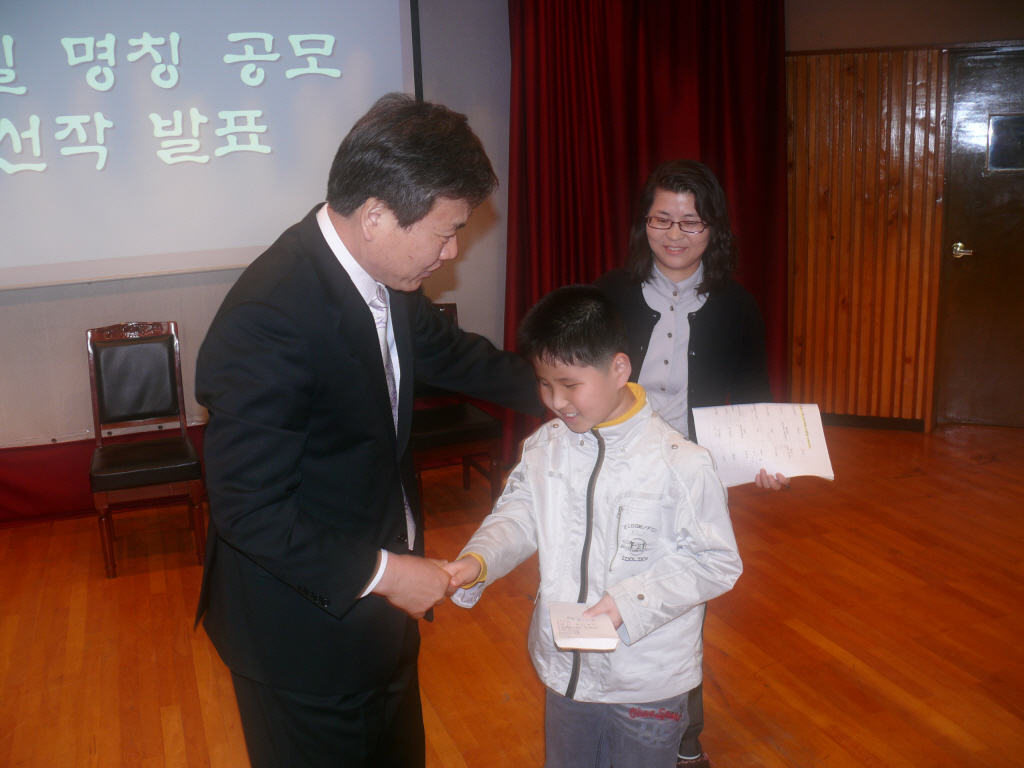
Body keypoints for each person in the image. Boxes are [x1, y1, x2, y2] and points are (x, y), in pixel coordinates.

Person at [194, 93, 543, 768]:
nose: (450, 253)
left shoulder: (384, 274)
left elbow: (457, 356)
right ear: (376, 216)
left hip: (379, 614)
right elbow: (249, 510)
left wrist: (571, 394)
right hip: (303, 635)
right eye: (446, 233)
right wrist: (386, 574)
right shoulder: (271, 318)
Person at [443, 285, 742, 768]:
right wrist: (477, 561)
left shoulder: (681, 463)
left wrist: (629, 602)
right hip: (566, 670)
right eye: (543, 383)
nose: (556, 401)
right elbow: (519, 515)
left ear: (619, 369)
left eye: (569, 383)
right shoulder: (546, 447)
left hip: (646, 680)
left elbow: (716, 562)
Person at [594, 159, 784, 766]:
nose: (675, 235)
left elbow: (753, 400)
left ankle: (681, 736)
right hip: (614, 470)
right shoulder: (609, 294)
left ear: (715, 231)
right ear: (643, 223)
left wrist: (766, 457)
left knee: (680, 607)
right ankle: (603, 712)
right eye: (662, 219)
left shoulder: (737, 306)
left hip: (692, 478)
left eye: (692, 223)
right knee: (606, 594)